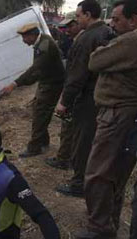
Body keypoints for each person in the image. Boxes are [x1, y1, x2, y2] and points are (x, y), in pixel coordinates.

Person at [73, 1, 137, 238]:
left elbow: (95, 61)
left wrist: (104, 53)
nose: (112, 23)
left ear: (134, 20)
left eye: (118, 19)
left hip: (117, 113)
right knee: (115, 173)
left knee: (98, 172)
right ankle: (109, 223)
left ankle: (100, 228)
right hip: (123, 114)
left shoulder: (132, 40)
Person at [55, 0, 113, 198]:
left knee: (82, 141)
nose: (77, 20)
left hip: (87, 98)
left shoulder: (87, 37)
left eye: (78, 16)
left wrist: (64, 101)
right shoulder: (106, 32)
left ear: (88, 15)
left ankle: (79, 183)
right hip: (101, 96)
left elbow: (77, 75)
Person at [1, 23, 65, 158]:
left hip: (52, 84)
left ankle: (34, 147)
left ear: (31, 35)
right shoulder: (42, 41)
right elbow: (38, 71)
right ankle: (43, 141)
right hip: (47, 82)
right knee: (39, 110)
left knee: (40, 114)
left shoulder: (44, 45)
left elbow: (35, 69)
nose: (23, 41)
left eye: (24, 38)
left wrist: (14, 84)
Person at [45, 18, 82, 170]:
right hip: (76, 91)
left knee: (67, 128)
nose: (67, 30)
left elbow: (76, 74)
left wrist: (65, 100)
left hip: (75, 93)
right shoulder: (75, 40)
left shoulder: (81, 42)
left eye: (70, 26)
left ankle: (63, 159)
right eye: (65, 28)